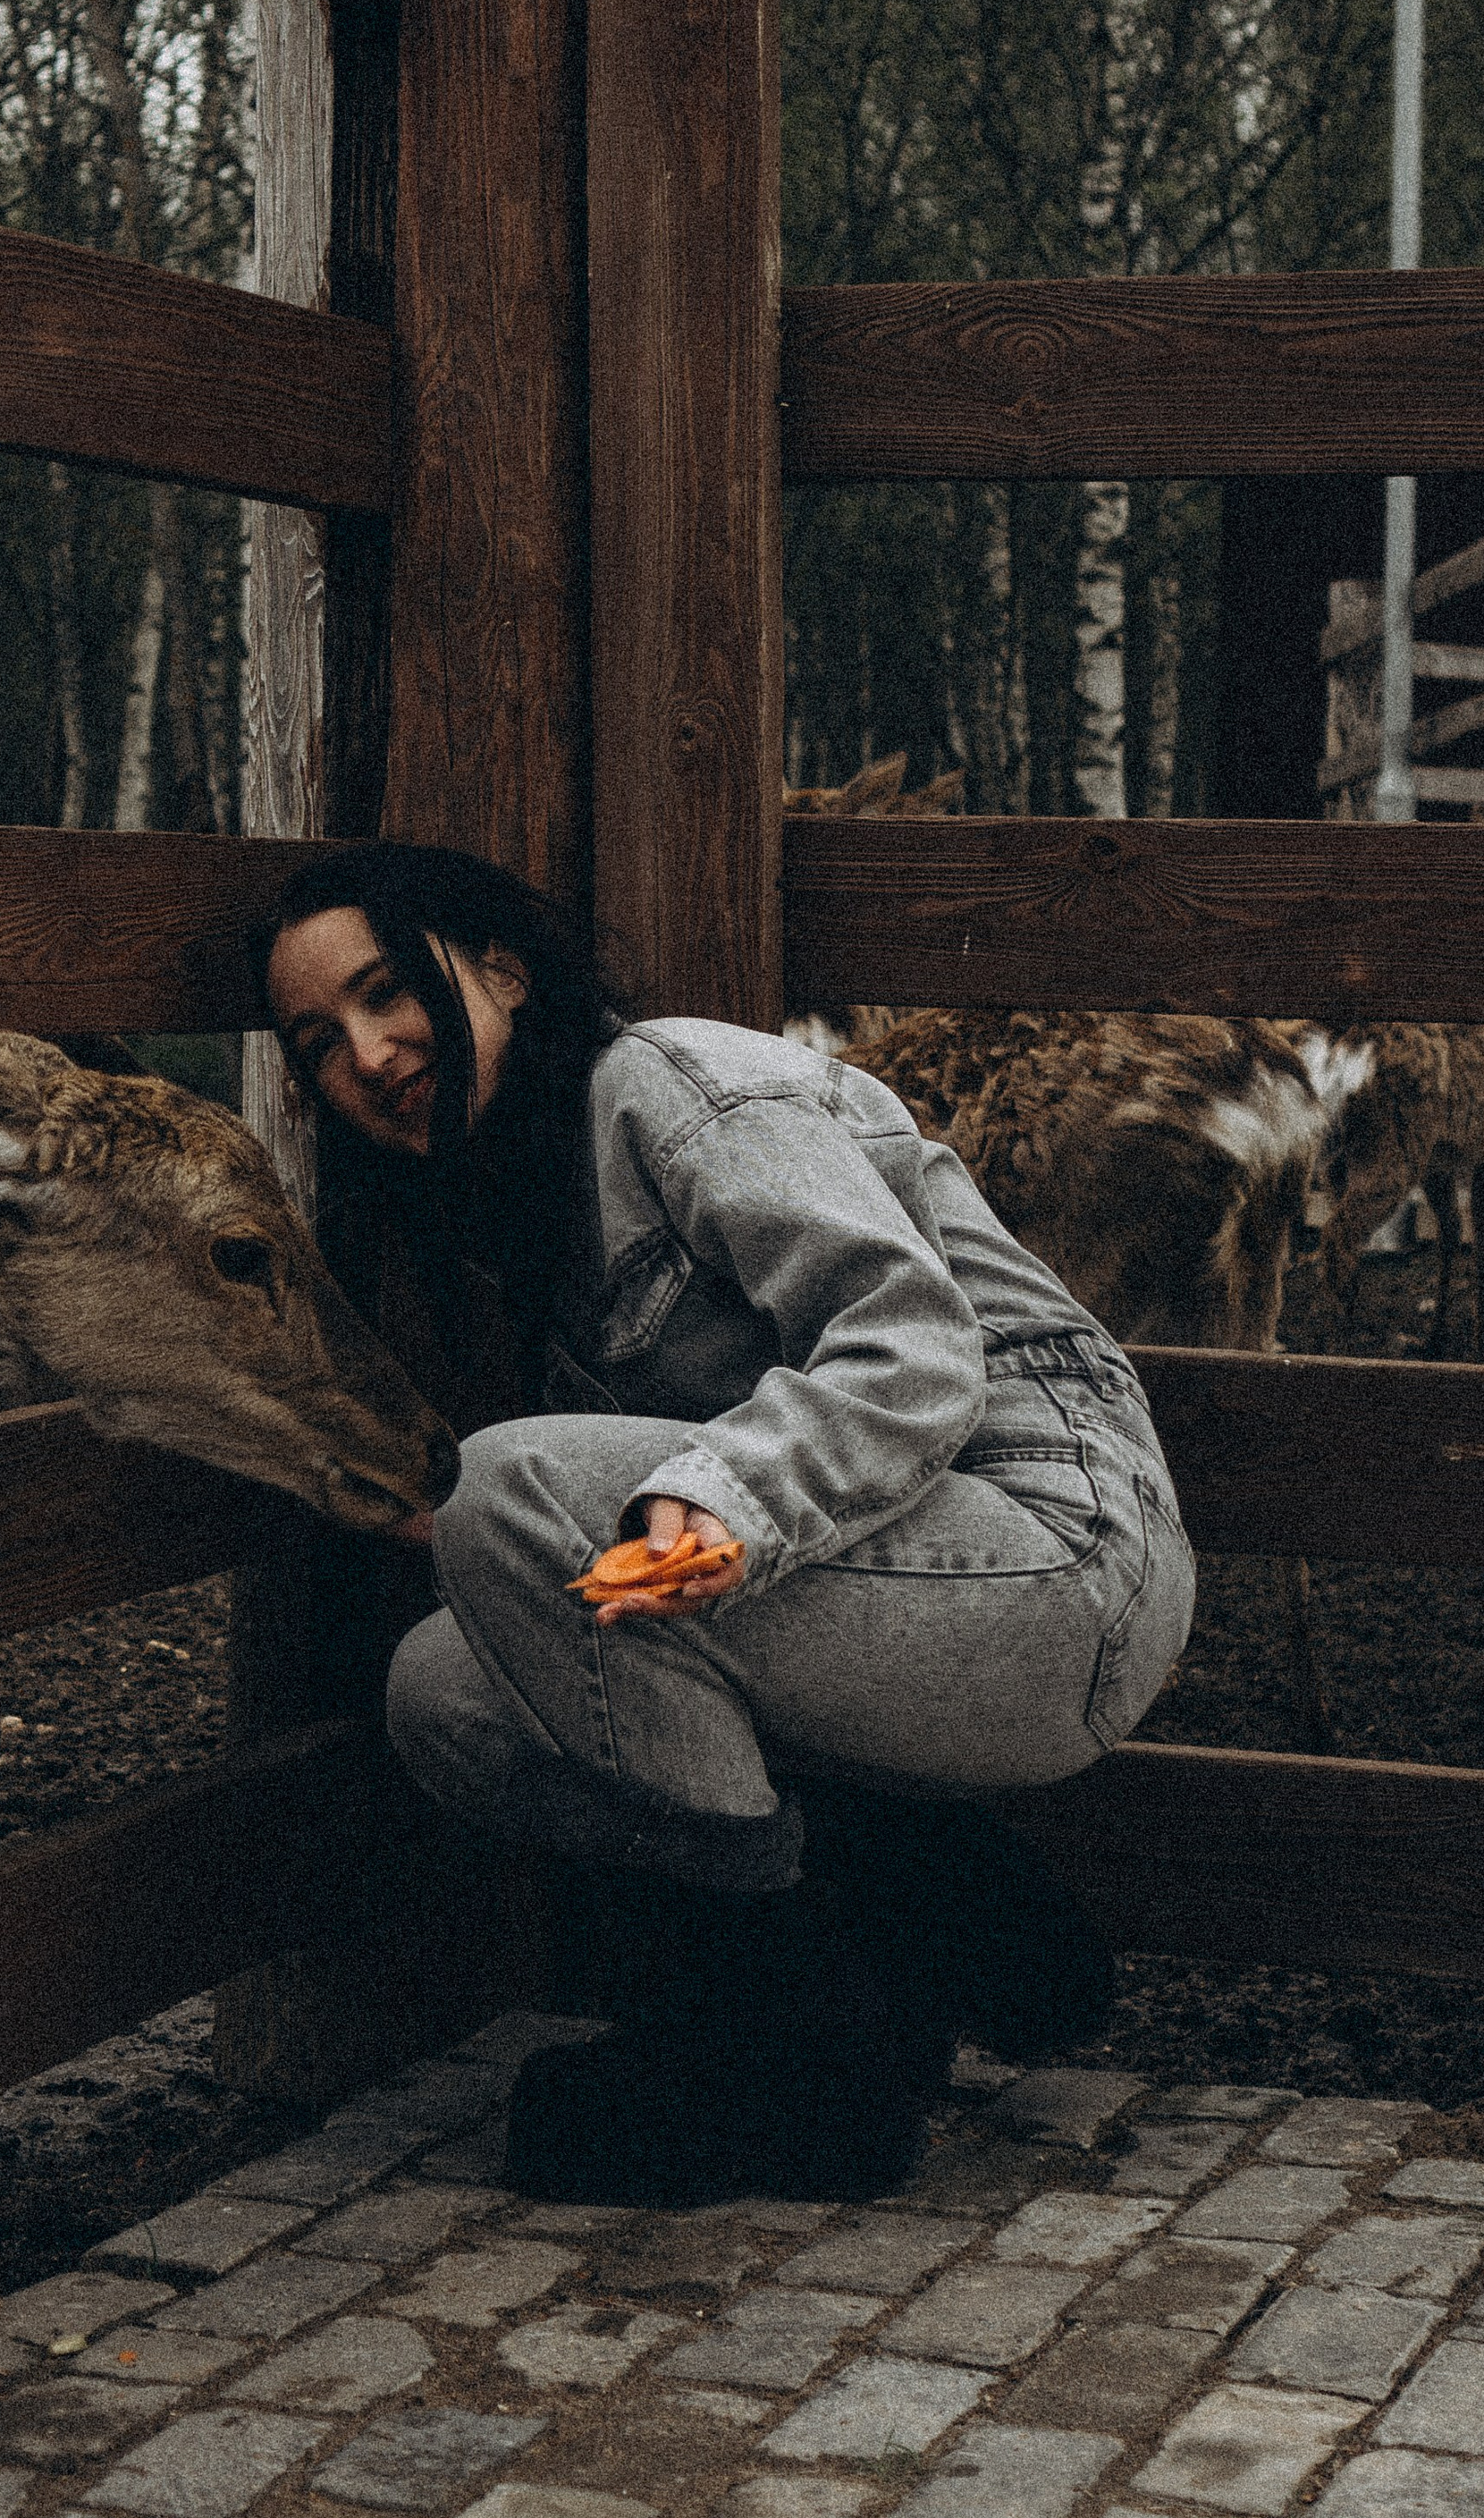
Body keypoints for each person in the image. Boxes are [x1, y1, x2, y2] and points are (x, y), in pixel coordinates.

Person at [253, 841, 1195, 2205]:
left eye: (389, 989)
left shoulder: (675, 1088)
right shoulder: (527, 1215)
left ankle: (800, 2063)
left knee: (507, 1489)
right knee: (447, 1690)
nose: (370, 1050)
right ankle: (915, 1927)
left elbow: (911, 1349)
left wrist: (716, 1497)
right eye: (318, 1043)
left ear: (503, 969)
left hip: (1056, 1557)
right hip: (897, 1602)